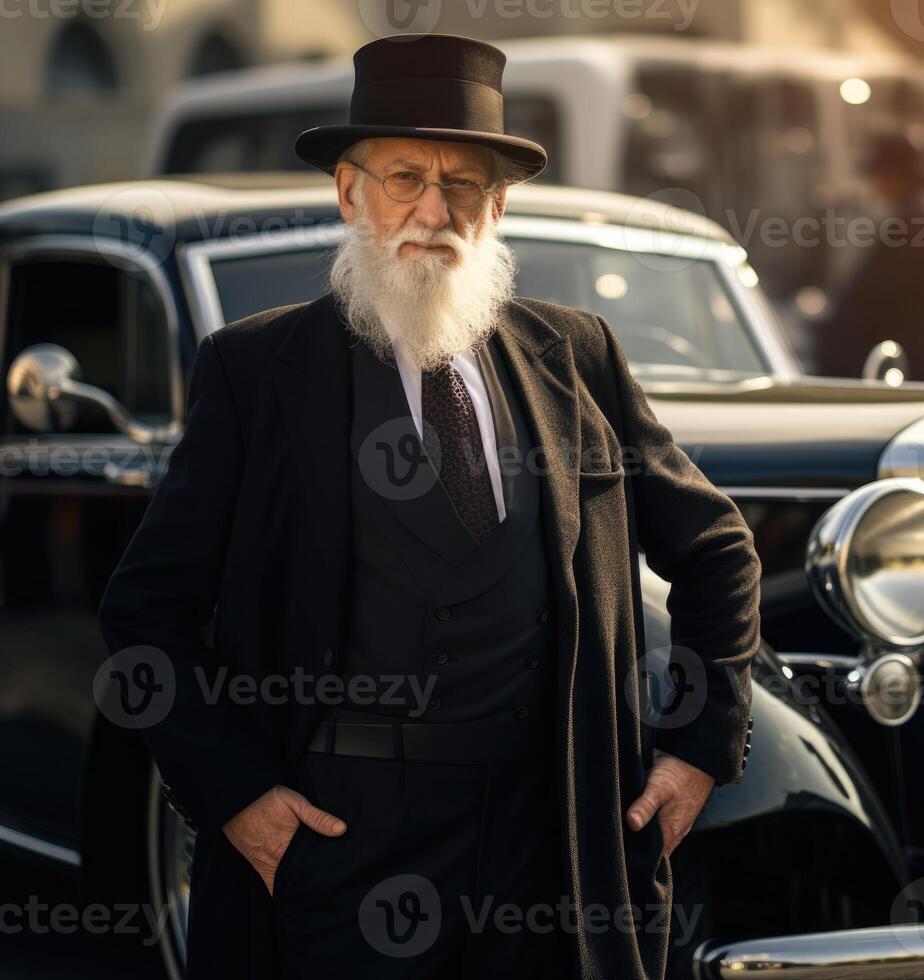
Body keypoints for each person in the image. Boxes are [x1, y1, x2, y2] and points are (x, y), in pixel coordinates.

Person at [97, 33, 761, 980]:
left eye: (464, 185)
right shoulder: (255, 373)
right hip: (342, 847)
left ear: (497, 207)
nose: (434, 210)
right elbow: (144, 609)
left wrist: (699, 748)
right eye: (405, 176)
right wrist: (237, 796)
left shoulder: (577, 356)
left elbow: (717, 550)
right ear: (349, 194)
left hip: (556, 845)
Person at [815, 131, 924, 381]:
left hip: (900, 362)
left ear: (896, 175)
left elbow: (872, 295)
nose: (874, 184)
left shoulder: (914, 223)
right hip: (919, 355)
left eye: (879, 174)